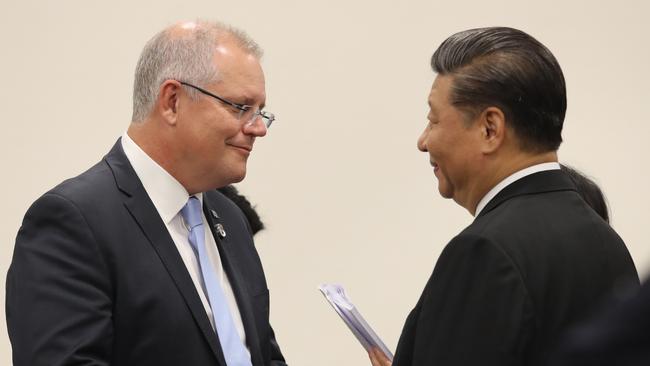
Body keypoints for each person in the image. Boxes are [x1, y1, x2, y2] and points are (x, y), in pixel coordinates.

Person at [6, 20, 286, 366]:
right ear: (172, 101)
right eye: (241, 107)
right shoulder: (73, 223)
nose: (259, 128)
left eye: (262, 112)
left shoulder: (231, 219)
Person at [368, 27, 638, 366]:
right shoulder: (606, 241)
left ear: (490, 129)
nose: (423, 141)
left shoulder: (483, 252)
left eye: (433, 120)